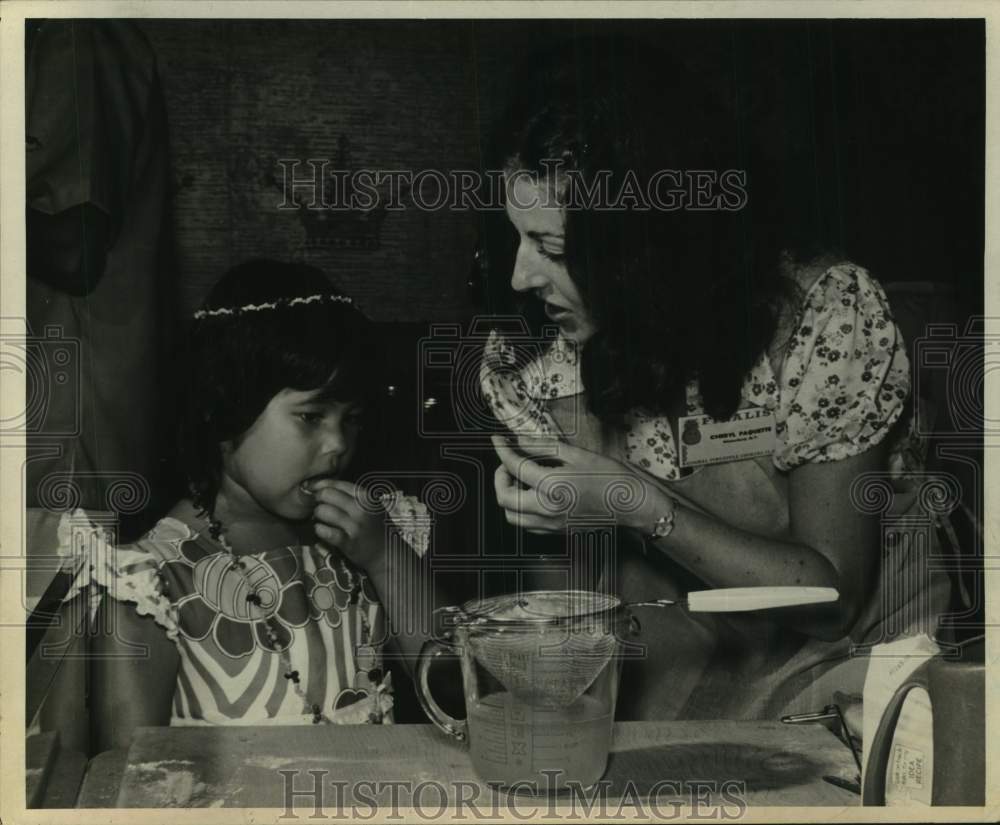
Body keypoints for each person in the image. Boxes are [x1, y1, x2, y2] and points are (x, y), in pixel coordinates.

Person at [481, 37, 951, 721]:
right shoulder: (553, 364)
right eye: (517, 239)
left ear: (645, 245)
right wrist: (551, 524)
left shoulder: (828, 318)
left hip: (857, 678)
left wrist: (634, 501)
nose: (522, 277)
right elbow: (571, 631)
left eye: (552, 248)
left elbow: (831, 601)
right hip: (692, 680)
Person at [44, 260, 430, 752]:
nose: (338, 444)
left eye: (351, 419)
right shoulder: (149, 584)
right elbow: (135, 783)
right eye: (311, 417)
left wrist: (386, 558)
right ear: (222, 410)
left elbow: (458, 691)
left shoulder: (368, 538)